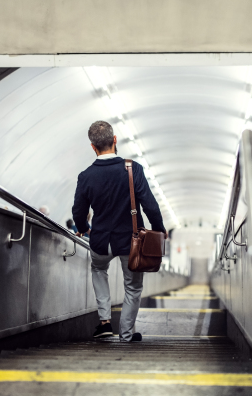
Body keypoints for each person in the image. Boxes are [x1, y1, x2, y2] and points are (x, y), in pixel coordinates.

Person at [72, 120, 166, 342]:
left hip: (100, 241)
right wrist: (160, 230)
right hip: (130, 242)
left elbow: (78, 210)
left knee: (98, 269)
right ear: (115, 140)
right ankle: (125, 334)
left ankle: (104, 322)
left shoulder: (86, 176)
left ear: (93, 147)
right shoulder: (133, 169)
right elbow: (150, 205)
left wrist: (84, 229)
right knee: (132, 287)